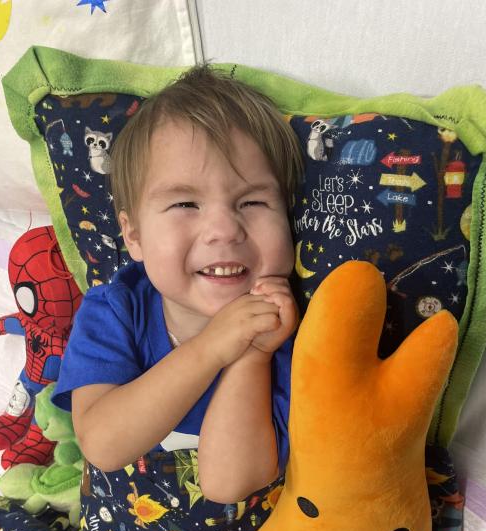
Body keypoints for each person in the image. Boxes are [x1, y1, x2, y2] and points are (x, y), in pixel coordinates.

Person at [53, 65, 303, 504]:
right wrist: (211, 348)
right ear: (133, 236)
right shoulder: (115, 310)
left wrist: (251, 356)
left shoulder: (292, 337)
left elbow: (230, 484)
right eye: (186, 203)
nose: (224, 229)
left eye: (253, 201)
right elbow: (103, 444)